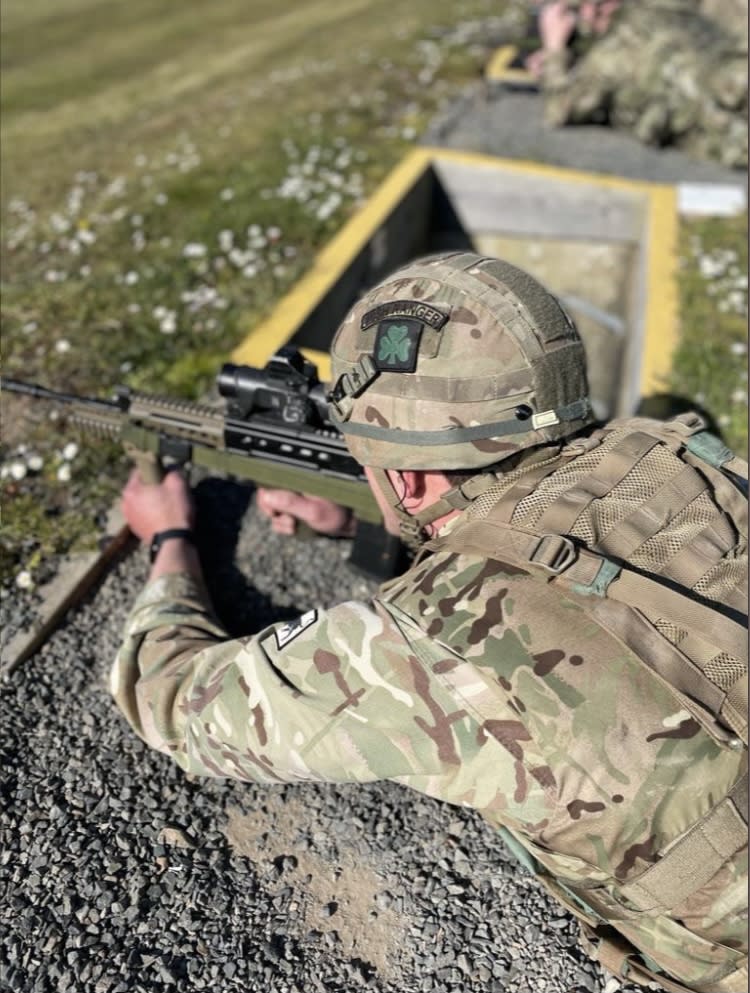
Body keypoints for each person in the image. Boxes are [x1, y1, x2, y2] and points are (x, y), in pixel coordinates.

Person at [112, 252, 748, 993]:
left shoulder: (445, 644)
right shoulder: (672, 458)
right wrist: (355, 529)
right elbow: (564, 558)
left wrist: (169, 538)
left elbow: (172, 700)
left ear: (407, 478)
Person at [526, 0, 748, 169]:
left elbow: (558, 110)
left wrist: (554, 50)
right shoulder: (658, 14)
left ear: (593, 10)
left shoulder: (610, 57)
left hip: (724, 134)